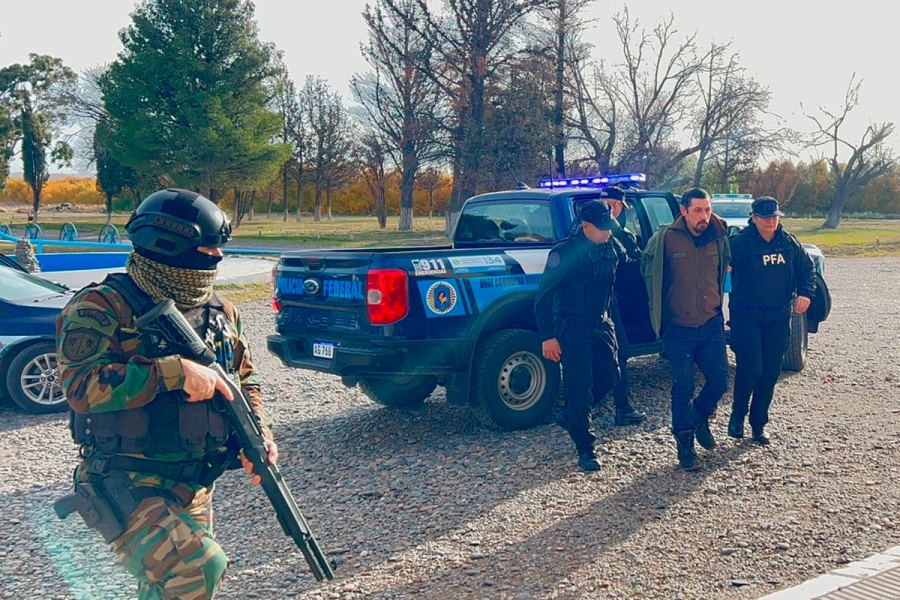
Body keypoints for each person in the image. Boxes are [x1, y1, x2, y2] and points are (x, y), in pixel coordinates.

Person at [55, 188, 277, 599]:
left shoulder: (221, 312)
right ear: (168, 249)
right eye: (206, 253)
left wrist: (258, 433)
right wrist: (171, 373)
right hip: (126, 477)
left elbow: (244, 380)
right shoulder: (101, 307)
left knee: (170, 586)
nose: (218, 260)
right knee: (199, 567)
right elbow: (79, 386)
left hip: (193, 480)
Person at [641, 187, 731, 470]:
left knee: (719, 381)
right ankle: (685, 448)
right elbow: (647, 271)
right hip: (678, 327)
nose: (704, 216)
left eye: (707, 209)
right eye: (697, 211)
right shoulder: (666, 239)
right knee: (683, 386)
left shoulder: (719, 235)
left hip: (711, 323)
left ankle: (700, 414)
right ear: (683, 211)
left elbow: (728, 268)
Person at [535, 200, 621, 471]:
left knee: (611, 375)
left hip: (600, 323)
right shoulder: (564, 253)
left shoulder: (611, 247)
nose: (607, 232)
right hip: (572, 325)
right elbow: (543, 298)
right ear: (585, 226)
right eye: (602, 228)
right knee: (579, 385)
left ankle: (572, 414)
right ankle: (585, 448)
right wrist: (547, 336)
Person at [726, 196, 816, 445]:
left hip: (778, 316)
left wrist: (806, 294)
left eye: (774, 217)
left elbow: (807, 271)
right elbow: (719, 269)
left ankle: (758, 424)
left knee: (770, 371)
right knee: (751, 366)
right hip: (747, 315)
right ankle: (738, 415)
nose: (770, 221)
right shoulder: (738, 244)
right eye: (765, 217)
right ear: (753, 218)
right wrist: (725, 270)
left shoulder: (789, 243)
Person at [599, 186, 646, 426]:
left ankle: (580, 409)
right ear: (617, 206)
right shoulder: (610, 229)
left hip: (596, 300)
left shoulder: (582, 226)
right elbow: (629, 257)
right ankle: (621, 408)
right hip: (607, 300)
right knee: (620, 351)